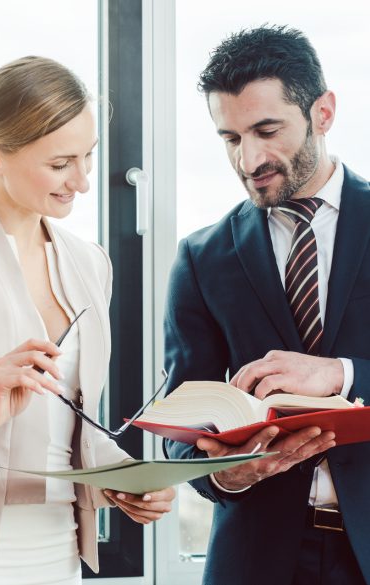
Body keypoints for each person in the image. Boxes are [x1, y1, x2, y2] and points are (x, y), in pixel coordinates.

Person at [164, 25, 370, 585]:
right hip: (254, 560)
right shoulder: (202, 258)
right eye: (230, 138)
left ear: (323, 112)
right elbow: (179, 426)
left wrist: (343, 373)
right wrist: (227, 475)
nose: (249, 159)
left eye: (266, 130)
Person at [0, 56, 174, 584]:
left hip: (58, 544)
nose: (81, 183)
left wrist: (123, 476)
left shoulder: (89, 262)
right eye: (60, 164)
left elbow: (71, 424)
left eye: (88, 158)